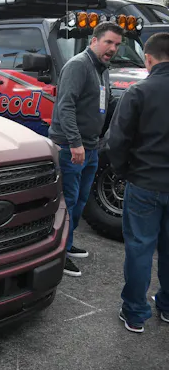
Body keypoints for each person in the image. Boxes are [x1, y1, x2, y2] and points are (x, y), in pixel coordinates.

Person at [104, 32, 169, 333]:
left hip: (144, 183)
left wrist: (124, 171)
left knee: (140, 249)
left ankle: (134, 314)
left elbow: (117, 140)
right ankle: (167, 307)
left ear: (149, 59)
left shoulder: (138, 92)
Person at [48, 22, 123, 277]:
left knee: (80, 201)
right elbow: (65, 106)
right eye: (108, 42)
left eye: (117, 44)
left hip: (90, 147)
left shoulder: (103, 70)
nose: (112, 48)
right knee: (67, 202)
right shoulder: (78, 65)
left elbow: (105, 103)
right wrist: (75, 143)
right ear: (94, 41)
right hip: (72, 148)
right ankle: (58, 253)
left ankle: (67, 244)